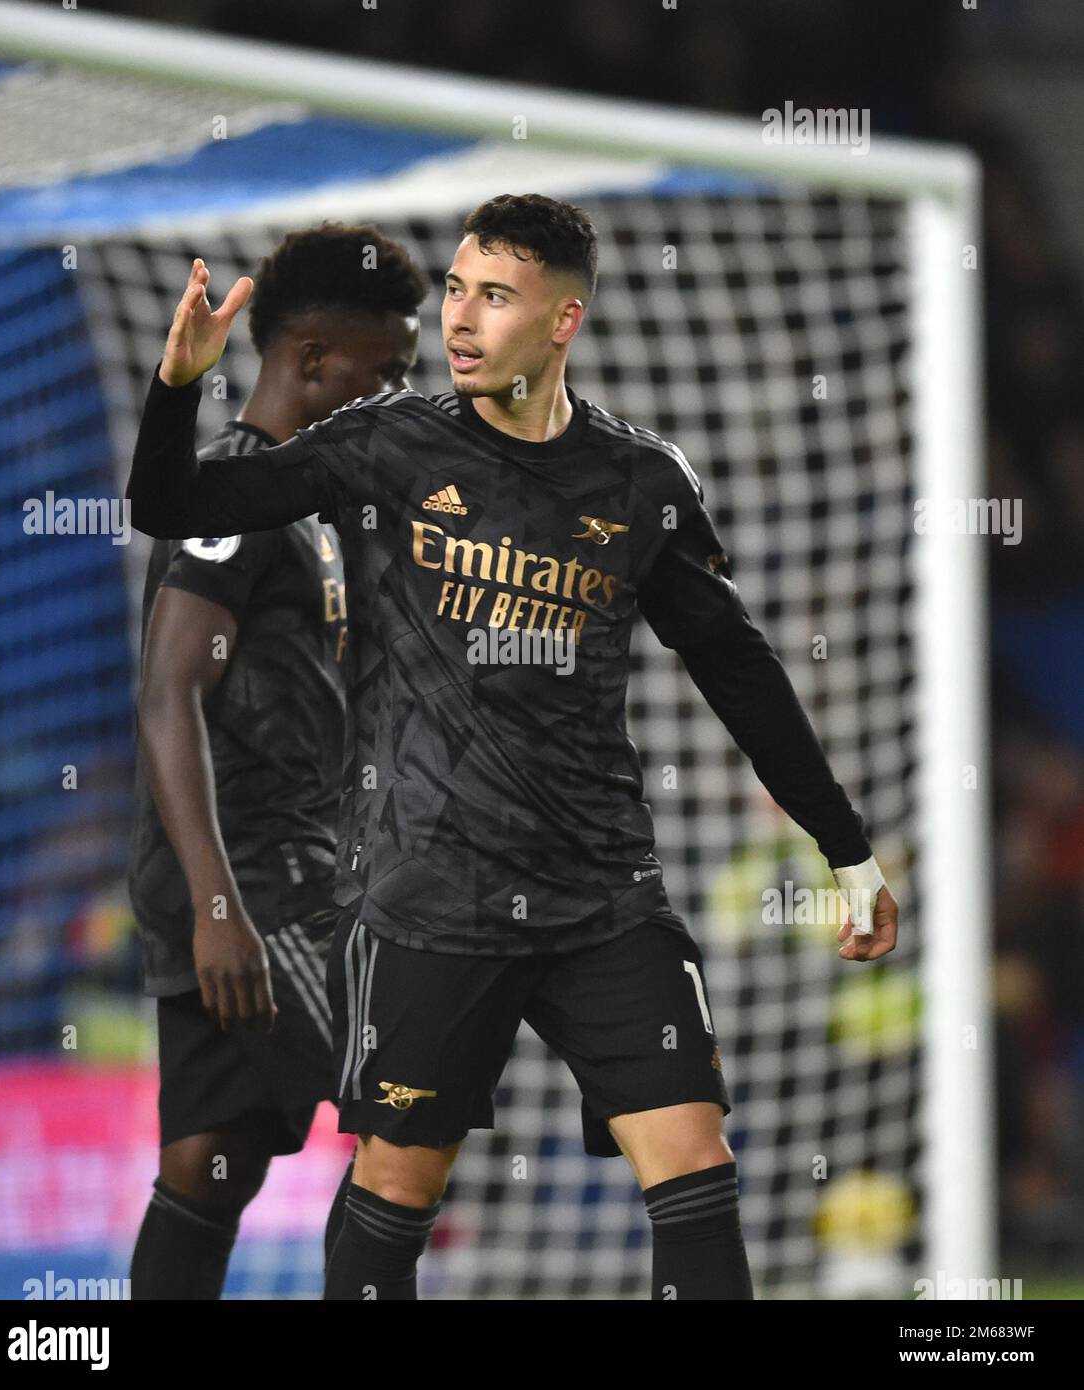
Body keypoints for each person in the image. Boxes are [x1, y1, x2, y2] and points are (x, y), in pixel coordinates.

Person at [127, 194, 898, 1301]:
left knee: (693, 1159)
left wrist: (846, 847)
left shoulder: (642, 483)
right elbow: (171, 503)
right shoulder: (387, 446)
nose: (461, 318)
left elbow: (736, 669)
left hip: (603, 896)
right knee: (396, 1180)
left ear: (562, 319)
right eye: (455, 290)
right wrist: (178, 388)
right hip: (432, 899)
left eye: (495, 296)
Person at [127, 223, 425, 1298]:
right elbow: (170, 694)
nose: (394, 390)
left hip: (284, 876)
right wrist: (216, 904)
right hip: (247, 884)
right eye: (382, 369)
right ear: (307, 359)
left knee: (214, 1168)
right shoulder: (233, 498)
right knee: (411, 1110)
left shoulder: (320, 502)